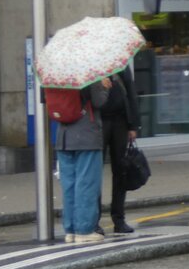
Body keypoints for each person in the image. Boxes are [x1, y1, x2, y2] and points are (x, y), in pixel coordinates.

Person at [54, 83, 106, 245]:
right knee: (86, 184)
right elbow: (99, 102)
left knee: (69, 186)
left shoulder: (56, 74)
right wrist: (104, 87)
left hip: (63, 137)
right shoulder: (89, 73)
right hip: (86, 136)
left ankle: (70, 230)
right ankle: (84, 230)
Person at [98, 67, 141, 234]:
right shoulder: (93, 61)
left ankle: (119, 218)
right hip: (99, 121)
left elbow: (131, 91)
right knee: (95, 173)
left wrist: (133, 125)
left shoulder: (120, 62)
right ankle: (94, 220)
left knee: (120, 171)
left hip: (120, 121)